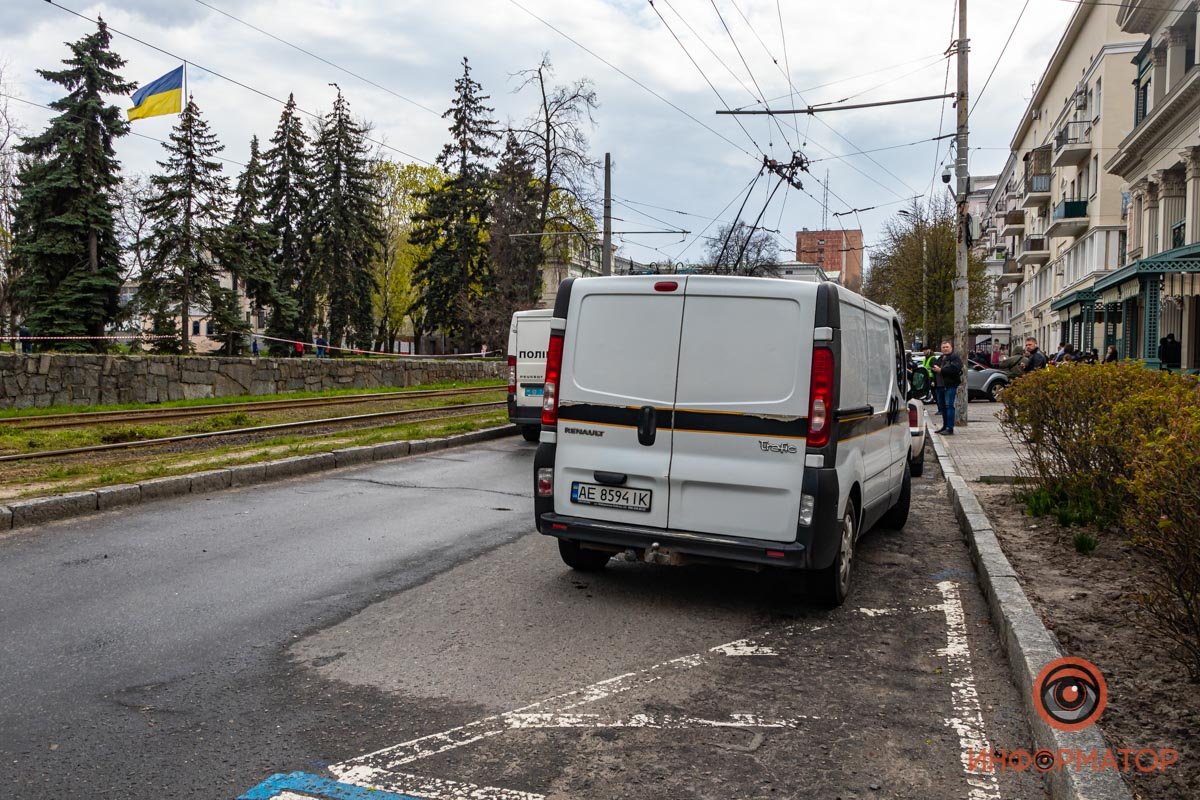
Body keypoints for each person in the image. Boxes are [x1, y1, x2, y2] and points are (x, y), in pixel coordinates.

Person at [931, 340, 964, 435]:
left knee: (949, 406)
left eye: (947, 347)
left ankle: (950, 428)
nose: (945, 349)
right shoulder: (941, 358)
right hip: (939, 386)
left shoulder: (955, 358)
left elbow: (954, 369)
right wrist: (933, 369)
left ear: (951, 348)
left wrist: (941, 370)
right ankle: (945, 426)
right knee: (942, 407)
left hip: (949, 386)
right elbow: (934, 367)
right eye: (943, 347)